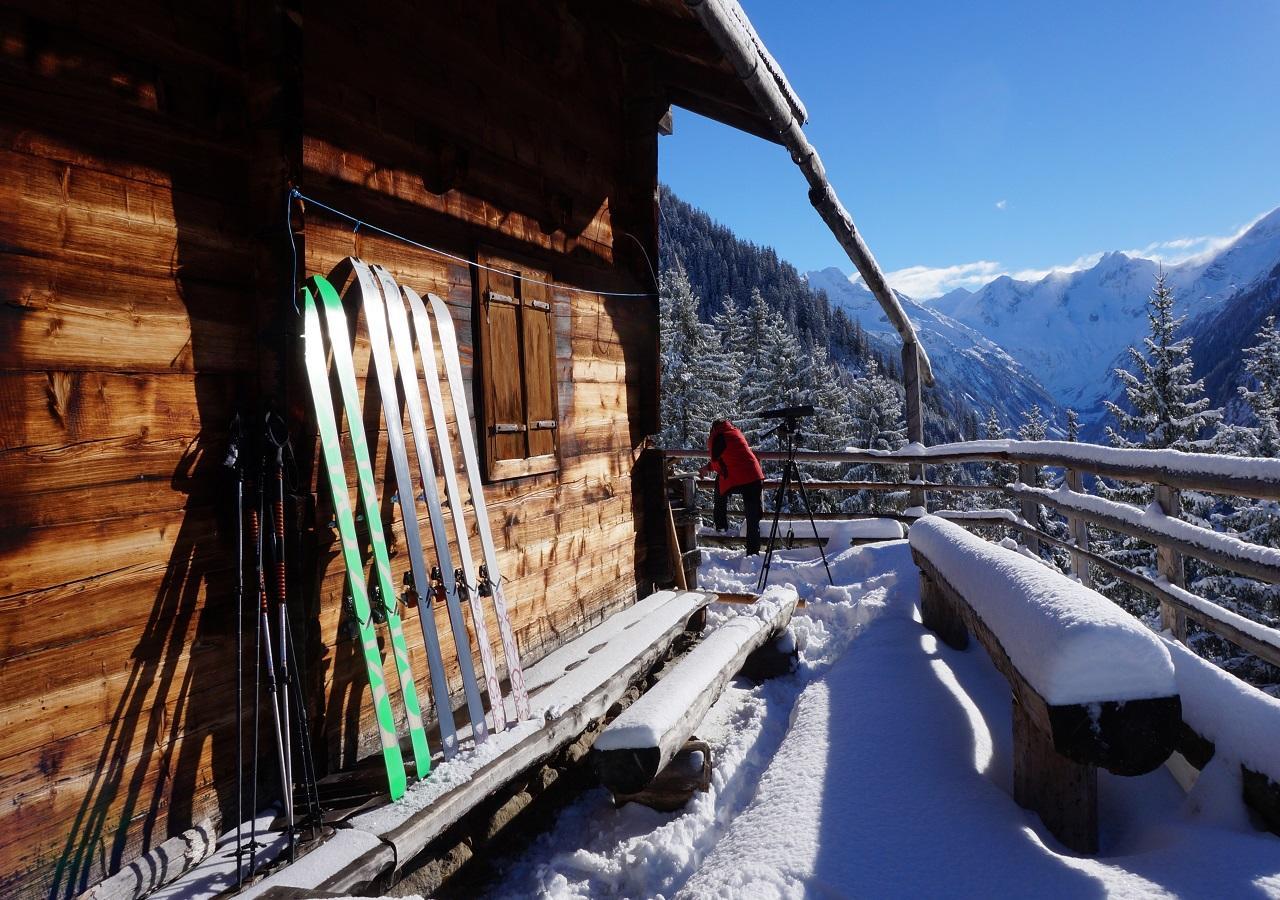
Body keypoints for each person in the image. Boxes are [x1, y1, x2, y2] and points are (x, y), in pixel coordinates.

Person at [700, 419, 765, 555]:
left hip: (740, 479)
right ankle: (753, 554)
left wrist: (709, 468)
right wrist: (709, 467)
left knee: (719, 486)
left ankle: (721, 525)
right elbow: (731, 455)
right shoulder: (735, 432)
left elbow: (718, 464)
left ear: (712, 429)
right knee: (753, 519)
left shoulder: (717, 437)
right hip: (754, 477)